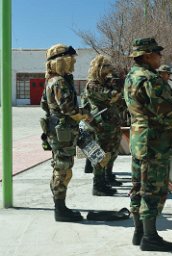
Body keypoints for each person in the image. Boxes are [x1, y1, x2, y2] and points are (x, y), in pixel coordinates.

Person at [124, 37, 172, 251]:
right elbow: (165, 111)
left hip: (139, 139)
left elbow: (158, 102)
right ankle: (150, 238)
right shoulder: (151, 78)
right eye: (158, 53)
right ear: (148, 55)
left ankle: (139, 232)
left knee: (138, 187)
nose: (161, 57)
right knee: (153, 189)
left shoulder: (132, 76)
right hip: (155, 142)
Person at [40, 44, 91, 222]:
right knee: (63, 169)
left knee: (61, 168)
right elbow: (69, 109)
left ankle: (60, 207)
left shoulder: (52, 81)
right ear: (62, 60)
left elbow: (44, 105)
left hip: (60, 131)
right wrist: (85, 115)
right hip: (62, 133)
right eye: (72, 59)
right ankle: (60, 210)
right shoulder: (59, 82)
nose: (74, 62)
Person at [82, 55, 123, 196]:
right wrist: (118, 82)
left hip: (111, 123)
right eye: (106, 66)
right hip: (100, 125)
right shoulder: (93, 85)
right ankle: (98, 185)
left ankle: (106, 179)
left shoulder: (105, 83)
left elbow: (119, 99)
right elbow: (112, 95)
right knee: (100, 156)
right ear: (98, 68)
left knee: (112, 153)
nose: (109, 69)